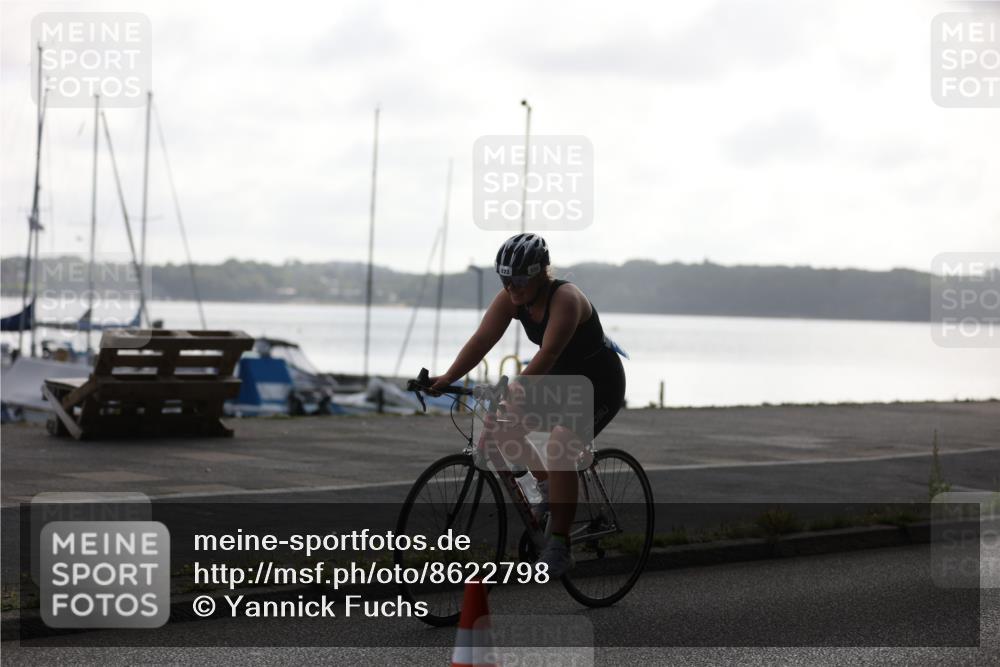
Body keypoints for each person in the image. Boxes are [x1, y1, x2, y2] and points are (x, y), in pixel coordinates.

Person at [429, 233, 627, 577]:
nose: (512, 288)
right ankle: (550, 487)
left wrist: (517, 387)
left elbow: (548, 353)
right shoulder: (511, 298)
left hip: (599, 382)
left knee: (561, 444)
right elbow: (482, 340)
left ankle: (560, 546)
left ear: (541, 273)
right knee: (503, 426)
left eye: (520, 279)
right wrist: (448, 377)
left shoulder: (566, 298)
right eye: (505, 279)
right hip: (557, 378)